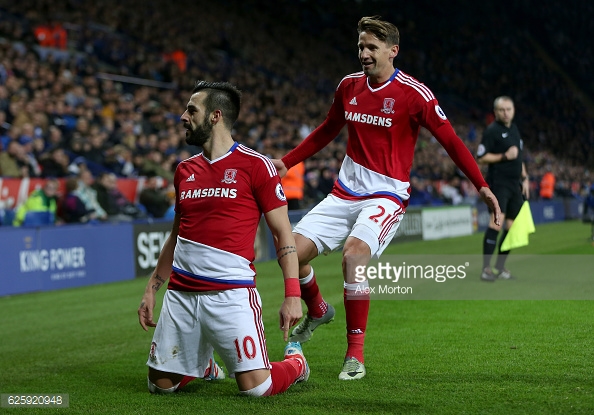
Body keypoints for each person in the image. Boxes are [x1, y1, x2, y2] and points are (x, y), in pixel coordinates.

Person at [272, 16, 501, 380]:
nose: (363, 53)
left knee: (354, 255)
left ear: (393, 51)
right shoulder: (348, 86)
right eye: (361, 46)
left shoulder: (415, 94)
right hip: (343, 193)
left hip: (386, 195)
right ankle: (317, 308)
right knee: (290, 253)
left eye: (371, 47)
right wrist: (286, 162)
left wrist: (481, 186)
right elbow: (328, 129)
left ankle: (355, 354)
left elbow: (452, 142)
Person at [137, 81, 309, 397]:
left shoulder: (257, 166)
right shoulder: (184, 170)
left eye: (191, 110)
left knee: (257, 389)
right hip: (182, 295)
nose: (183, 117)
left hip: (231, 294)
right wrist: (151, 289)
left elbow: (283, 233)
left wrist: (292, 294)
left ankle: (296, 363)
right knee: (161, 386)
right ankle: (204, 366)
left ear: (215, 116)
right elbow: (176, 235)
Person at [477, 96, 529, 281]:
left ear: (513, 110)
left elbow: (519, 156)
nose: (506, 113)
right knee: (496, 223)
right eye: (502, 110)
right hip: (499, 183)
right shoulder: (492, 131)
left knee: (511, 226)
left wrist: (525, 178)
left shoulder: (514, 129)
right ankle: (486, 269)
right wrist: (504, 156)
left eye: (508, 109)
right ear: (496, 112)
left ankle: (500, 267)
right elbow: (481, 157)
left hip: (515, 185)